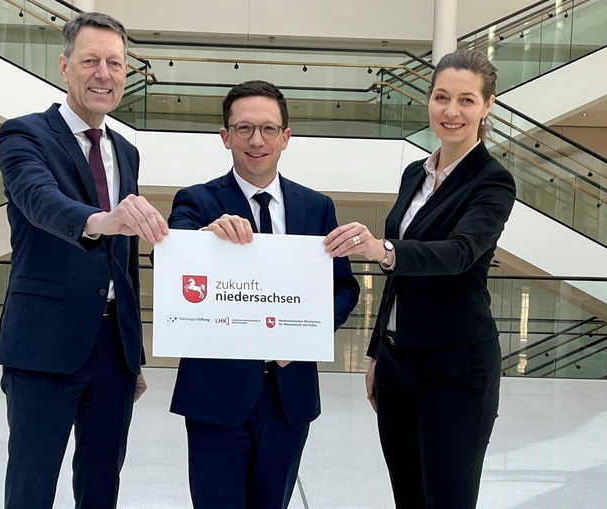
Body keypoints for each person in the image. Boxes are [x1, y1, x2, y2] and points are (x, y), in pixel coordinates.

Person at [324, 50, 516, 509]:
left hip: (455, 365)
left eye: (466, 100)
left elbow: (460, 253)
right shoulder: (416, 172)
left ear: (487, 106)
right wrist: (377, 353)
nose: (451, 112)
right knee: (407, 497)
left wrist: (382, 250)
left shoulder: (493, 181)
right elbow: (401, 282)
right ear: (428, 100)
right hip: (396, 363)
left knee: (447, 498)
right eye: (442, 97)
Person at [0, 12, 168, 509]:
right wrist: (100, 220)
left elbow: (126, 259)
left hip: (113, 347)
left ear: (126, 75)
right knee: (32, 484)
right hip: (44, 343)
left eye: (115, 64)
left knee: (102, 484)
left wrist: (132, 351)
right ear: (64, 66)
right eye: (90, 61)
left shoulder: (127, 152)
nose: (103, 74)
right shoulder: (24, 136)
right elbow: (38, 200)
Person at [168, 80, 361, 509]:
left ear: (286, 137)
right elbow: (171, 261)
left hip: (288, 400)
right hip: (216, 398)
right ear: (225, 137)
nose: (257, 140)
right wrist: (202, 239)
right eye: (243, 129)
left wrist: (306, 334)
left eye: (269, 129)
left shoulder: (317, 207)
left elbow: (344, 288)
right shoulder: (198, 201)